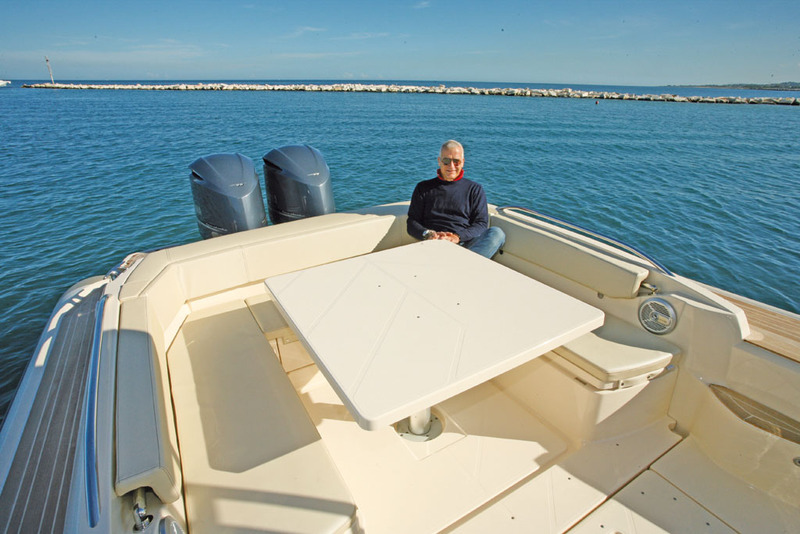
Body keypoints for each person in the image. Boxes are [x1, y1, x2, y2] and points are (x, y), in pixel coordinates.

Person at [407, 140, 505, 259]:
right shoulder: (423, 188)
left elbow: (481, 224)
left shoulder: (474, 189)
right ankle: (463, 267)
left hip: (465, 244)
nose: (451, 166)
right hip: (433, 244)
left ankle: (462, 265)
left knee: (497, 233)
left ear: (463, 162)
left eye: (456, 161)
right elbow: (412, 222)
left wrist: (457, 237)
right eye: (446, 161)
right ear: (439, 161)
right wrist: (429, 234)